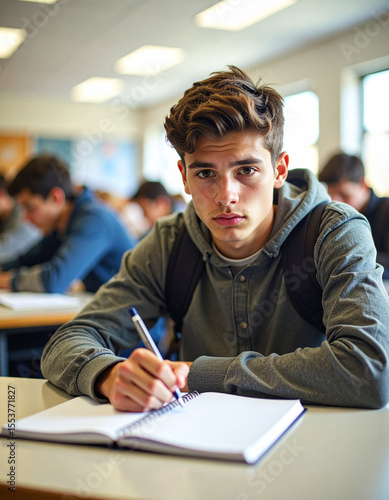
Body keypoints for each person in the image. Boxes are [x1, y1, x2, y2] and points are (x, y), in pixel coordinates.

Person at [41, 66, 389, 413]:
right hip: (194, 450)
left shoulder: (334, 231)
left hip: (319, 447)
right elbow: (66, 342)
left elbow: (370, 370)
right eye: (206, 173)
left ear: (279, 170)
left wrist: (200, 374)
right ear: (183, 177)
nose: (226, 196)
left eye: (246, 170)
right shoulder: (170, 242)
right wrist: (108, 374)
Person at [0, 154, 136, 293]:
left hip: (134, 312)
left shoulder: (94, 219)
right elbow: (25, 260)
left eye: (30, 208)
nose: (25, 218)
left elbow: (54, 280)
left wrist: (6, 281)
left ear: (55, 198)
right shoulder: (60, 226)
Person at [318, 152, 389, 278]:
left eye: (344, 195)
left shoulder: (386, 211)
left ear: (363, 185)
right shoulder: (330, 218)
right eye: (331, 195)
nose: (336, 202)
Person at [0, 174, 42, 264]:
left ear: (1, 194)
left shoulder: (24, 214)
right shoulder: (5, 216)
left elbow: (3, 253)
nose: (27, 217)